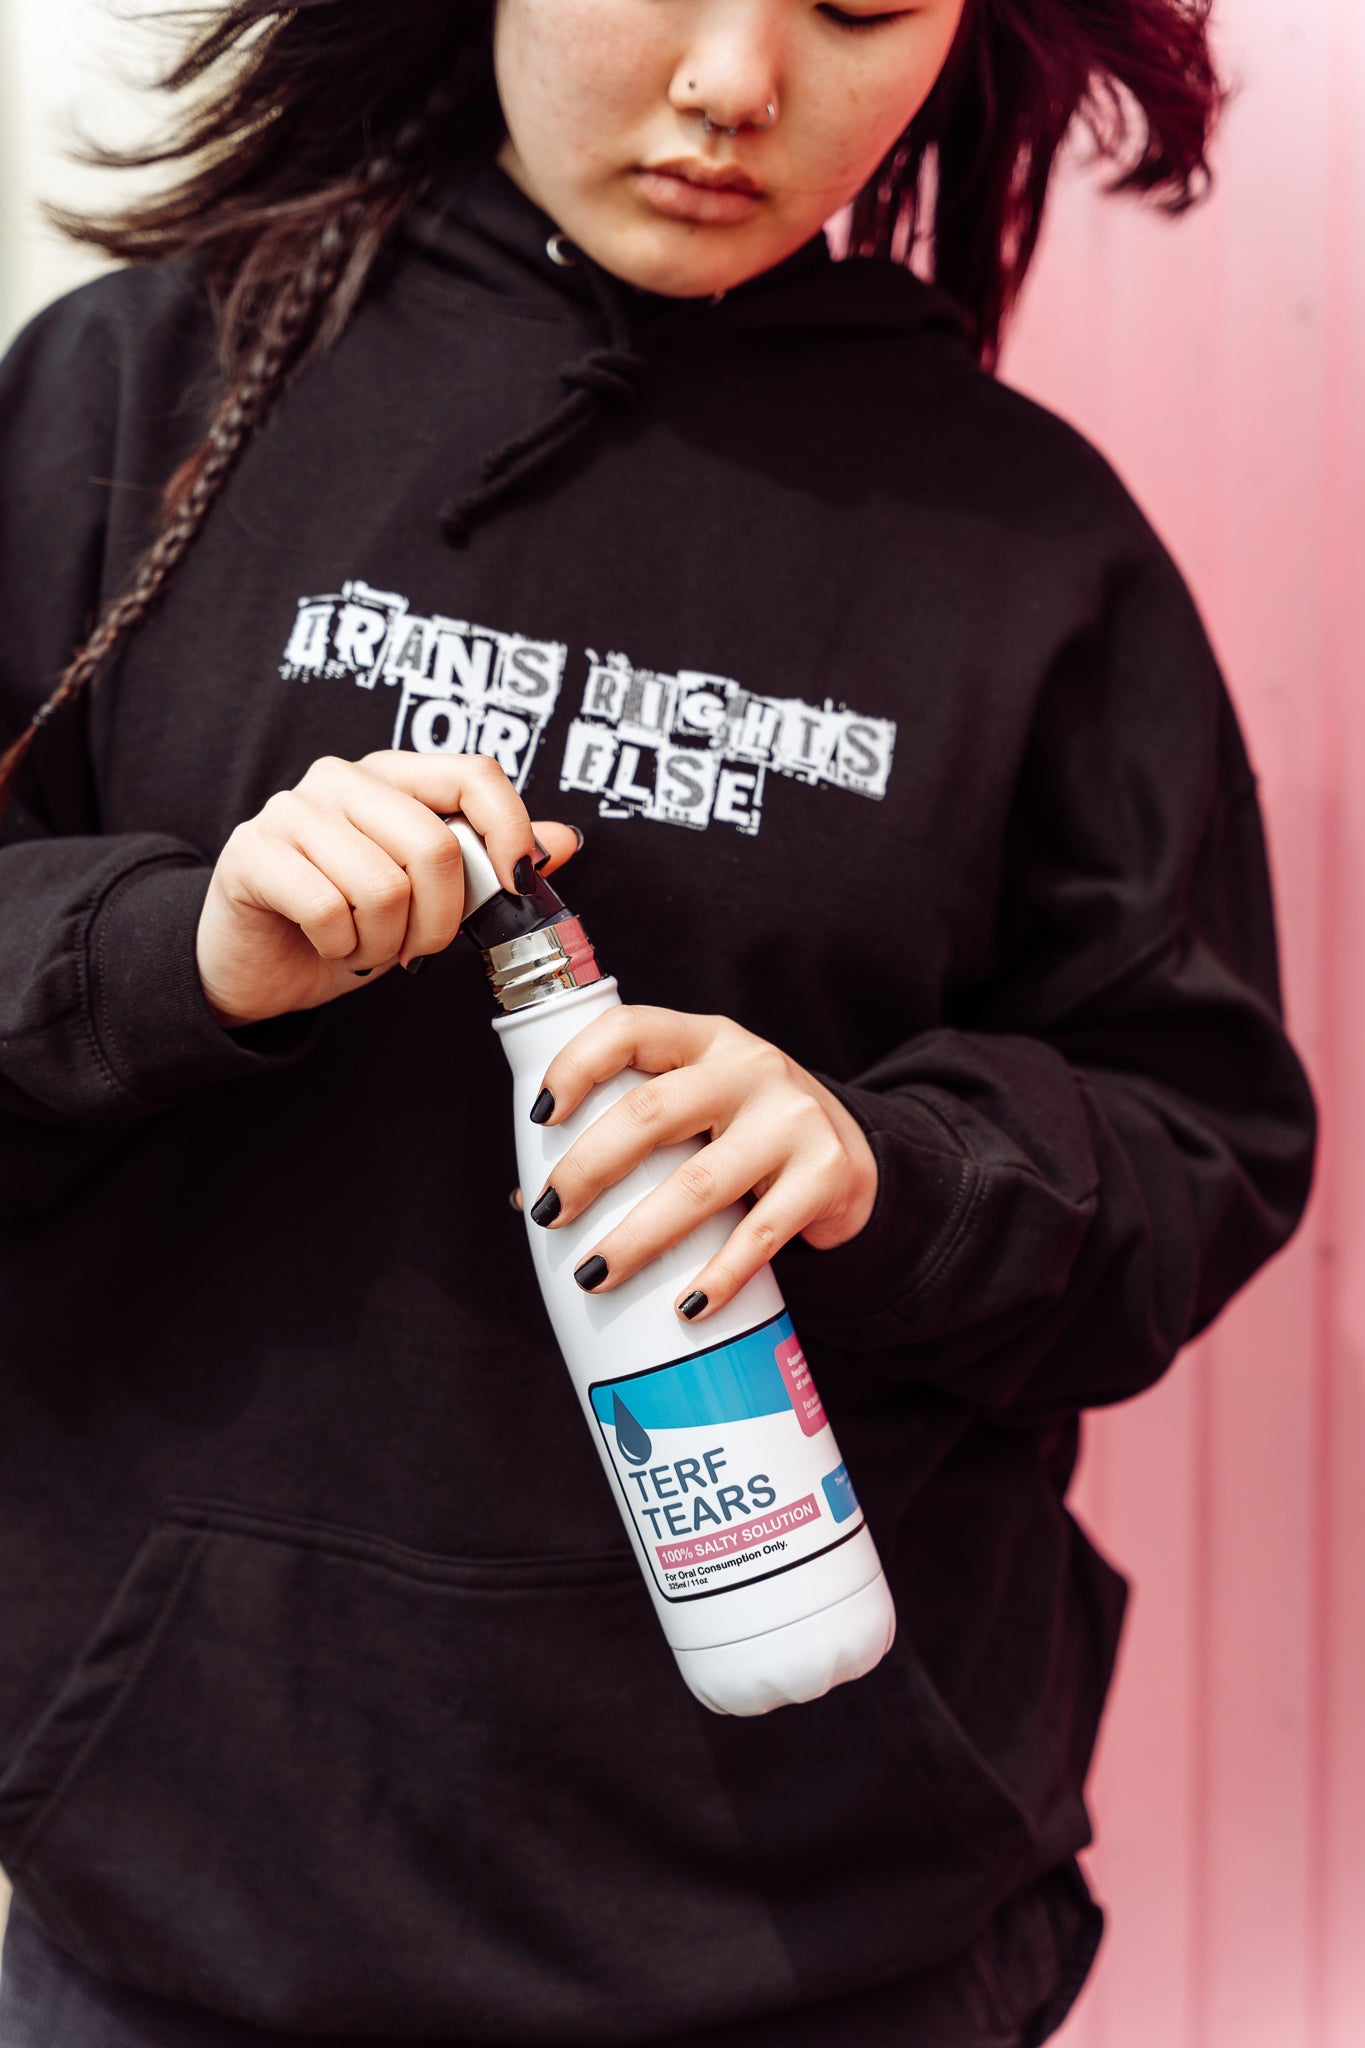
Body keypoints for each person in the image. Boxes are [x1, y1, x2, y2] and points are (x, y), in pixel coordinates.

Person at [0, 0, 1316, 2042]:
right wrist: (191, 948)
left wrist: (889, 1168)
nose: (733, 82)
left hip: (822, 1926)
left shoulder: (1025, 544)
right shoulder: (136, 395)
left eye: (855, 5)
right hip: (190, 1895)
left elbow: (1196, 1133)